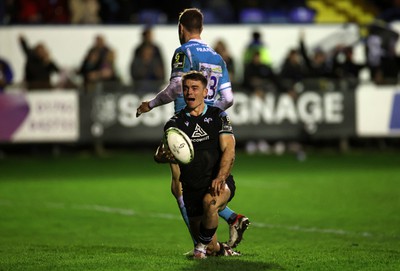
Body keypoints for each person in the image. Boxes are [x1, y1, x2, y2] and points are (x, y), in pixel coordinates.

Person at [136, 8, 249, 250]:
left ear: (181, 28)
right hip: (208, 126)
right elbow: (228, 98)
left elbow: (176, 87)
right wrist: (209, 114)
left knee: (180, 184)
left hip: (183, 128)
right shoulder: (217, 57)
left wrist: (151, 104)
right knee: (200, 182)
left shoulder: (183, 52)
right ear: (202, 28)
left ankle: (204, 245)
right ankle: (231, 220)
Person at [157, 71, 241, 258]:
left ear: (205, 91)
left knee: (210, 203)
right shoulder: (174, 123)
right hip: (191, 188)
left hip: (217, 183)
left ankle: (199, 249)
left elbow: (229, 150)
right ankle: (220, 249)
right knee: (211, 248)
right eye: (186, 89)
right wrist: (162, 156)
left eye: (195, 88)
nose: (190, 93)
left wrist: (221, 177)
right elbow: (161, 153)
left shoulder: (218, 116)